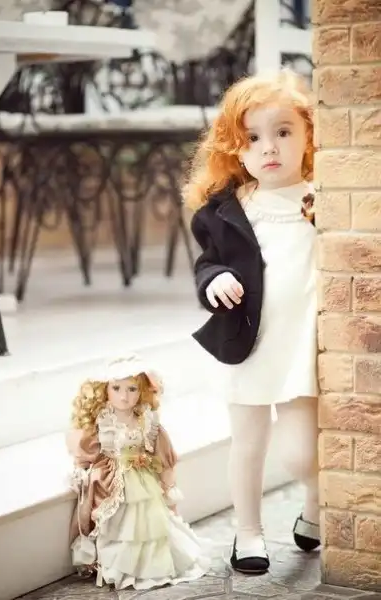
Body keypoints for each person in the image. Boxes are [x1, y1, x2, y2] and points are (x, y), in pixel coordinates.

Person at [183, 69, 320, 575]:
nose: (270, 148)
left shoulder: (324, 199)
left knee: (304, 454)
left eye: (283, 132)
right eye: (253, 138)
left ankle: (316, 506)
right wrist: (215, 279)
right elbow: (208, 263)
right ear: (235, 150)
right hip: (249, 343)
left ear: (308, 135)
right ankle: (248, 532)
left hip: (303, 347)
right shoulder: (230, 210)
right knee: (248, 444)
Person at [66, 355, 209, 589]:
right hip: (114, 481)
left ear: (141, 390)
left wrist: (168, 486)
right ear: (105, 389)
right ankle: (122, 566)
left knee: (151, 524)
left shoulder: (146, 420)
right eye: (116, 388)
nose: (124, 396)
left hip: (143, 481)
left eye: (132, 389)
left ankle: (153, 565)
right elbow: (85, 452)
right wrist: (81, 470)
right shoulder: (103, 422)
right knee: (121, 527)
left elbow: (163, 453)